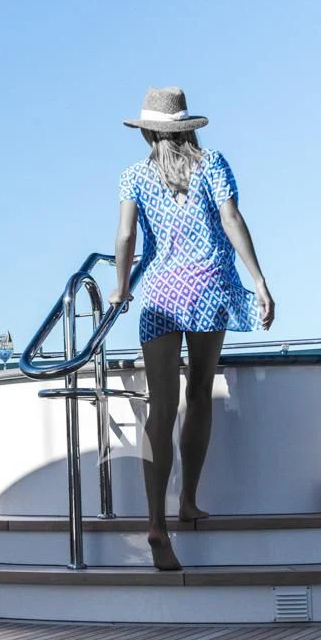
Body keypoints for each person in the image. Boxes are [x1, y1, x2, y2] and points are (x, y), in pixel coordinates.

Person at [109, 86, 275, 570]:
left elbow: (125, 236)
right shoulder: (212, 163)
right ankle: (188, 500)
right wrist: (259, 280)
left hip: (161, 293)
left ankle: (156, 524)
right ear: (187, 128)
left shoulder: (133, 176)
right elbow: (231, 218)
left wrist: (121, 288)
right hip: (208, 289)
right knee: (199, 391)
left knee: (160, 409)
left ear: (146, 132)